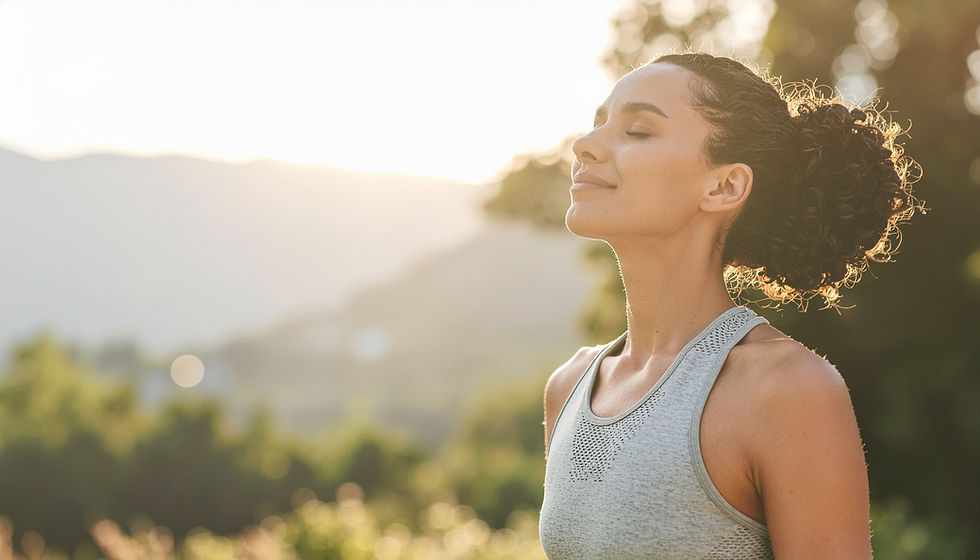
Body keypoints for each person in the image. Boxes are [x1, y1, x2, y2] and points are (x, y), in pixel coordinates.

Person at [538, 51, 924, 560]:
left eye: (639, 131)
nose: (585, 146)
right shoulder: (569, 386)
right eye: (597, 125)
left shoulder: (788, 390)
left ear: (725, 186)